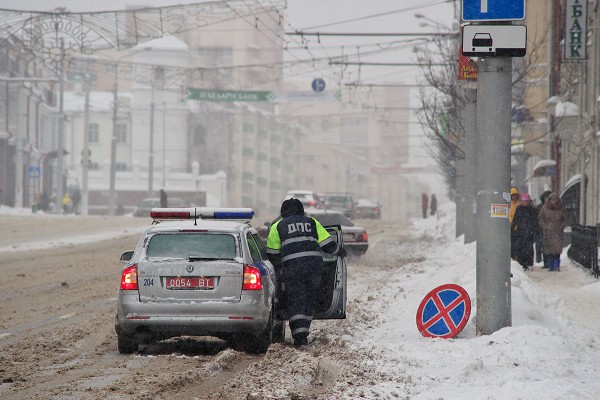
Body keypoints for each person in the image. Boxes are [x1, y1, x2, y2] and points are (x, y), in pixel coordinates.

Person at [266, 198, 346, 347]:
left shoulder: (278, 226)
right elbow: (327, 244)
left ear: (283, 212)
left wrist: (280, 267)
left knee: (296, 301)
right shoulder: (312, 222)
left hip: (292, 270)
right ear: (301, 210)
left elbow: (271, 253)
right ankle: (303, 333)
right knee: (309, 299)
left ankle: (299, 336)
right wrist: (340, 251)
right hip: (313, 269)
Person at [538, 193, 569, 272]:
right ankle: (551, 266)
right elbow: (541, 219)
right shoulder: (544, 208)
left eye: (555, 200)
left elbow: (565, 219)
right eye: (552, 200)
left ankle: (557, 265)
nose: (554, 202)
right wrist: (545, 227)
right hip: (548, 232)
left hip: (558, 232)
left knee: (557, 250)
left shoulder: (561, 208)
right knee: (549, 250)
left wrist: (561, 226)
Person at [510, 193, 539, 271]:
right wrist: (512, 229)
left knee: (529, 249)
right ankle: (522, 264)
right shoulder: (519, 209)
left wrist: (535, 229)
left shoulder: (532, 210)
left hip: (529, 232)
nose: (525, 203)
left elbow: (535, 221)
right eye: (524, 201)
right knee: (520, 249)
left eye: (527, 201)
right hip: (520, 232)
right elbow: (515, 219)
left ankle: (529, 263)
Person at [535, 190, 552, 267]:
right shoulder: (539, 207)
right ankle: (542, 261)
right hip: (541, 229)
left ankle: (548, 262)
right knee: (541, 245)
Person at [509, 187, 520, 260]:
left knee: (518, 245)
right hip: (511, 227)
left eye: (515, 195)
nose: (514, 197)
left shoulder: (519, 204)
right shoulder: (509, 205)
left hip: (518, 228)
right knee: (512, 245)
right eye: (513, 195)